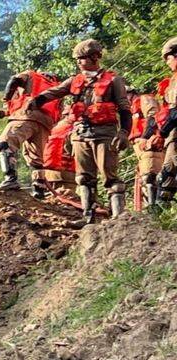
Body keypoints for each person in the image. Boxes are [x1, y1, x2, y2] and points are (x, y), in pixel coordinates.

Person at [27, 39, 132, 223]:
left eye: (82, 58)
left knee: (110, 177)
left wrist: (123, 132)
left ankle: (119, 218)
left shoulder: (113, 80)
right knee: (84, 178)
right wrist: (37, 100)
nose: (79, 62)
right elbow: (56, 91)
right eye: (77, 59)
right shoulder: (75, 81)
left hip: (105, 133)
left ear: (95, 57)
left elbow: (124, 109)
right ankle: (88, 216)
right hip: (81, 134)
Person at [0, 70, 62, 192]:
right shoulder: (58, 88)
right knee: (36, 159)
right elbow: (58, 114)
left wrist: (6, 99)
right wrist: (6, 112)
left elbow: (14, 80)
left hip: (27, 115)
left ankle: (11, 179)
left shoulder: (32, 75)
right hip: (45, 124)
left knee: (4, 144)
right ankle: (39, 189)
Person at [128, 87, 164, 207]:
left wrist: (146, 136)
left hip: (149, 142)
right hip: (140, 144)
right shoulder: (131, 107)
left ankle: (154, 209)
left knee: (150, 175)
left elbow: (153, 116)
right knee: (144, 176)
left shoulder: (143, 99)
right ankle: (149, 207)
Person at [36, 108, 78, 197]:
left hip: (48, 171)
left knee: (49, 199)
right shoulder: (73, 129)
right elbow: (73, 150)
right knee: (66, 198)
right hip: (65, 173)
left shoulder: (54, 127)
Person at [156, 37, 177, 205]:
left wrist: (161, 132)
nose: (167, 63)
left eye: (168, 58)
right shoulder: (172, 81)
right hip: (173, 133)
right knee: (167, 172)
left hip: (173, 131)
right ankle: (161, 210)